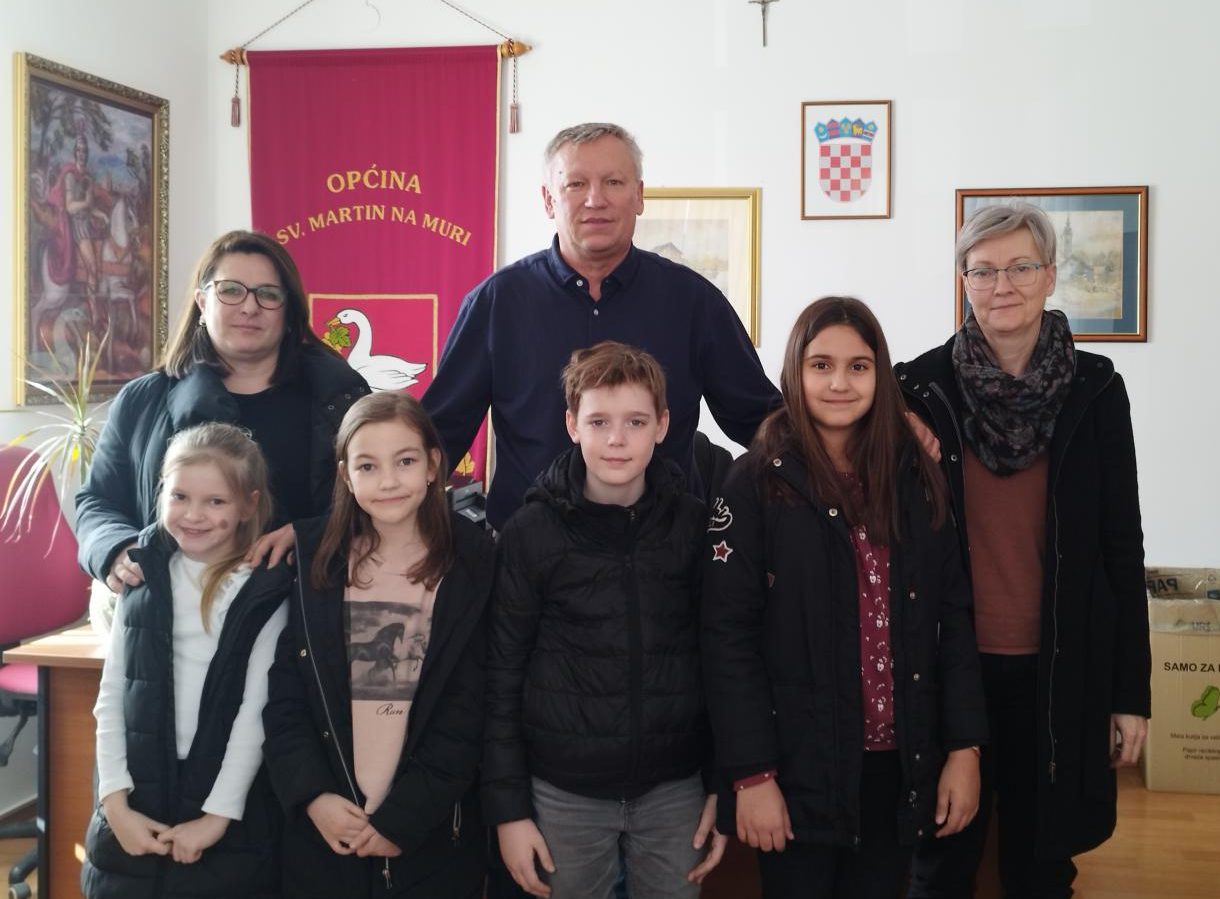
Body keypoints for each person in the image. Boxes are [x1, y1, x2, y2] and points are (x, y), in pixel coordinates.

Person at [898, 202, 1150, 898]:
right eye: (983, 270)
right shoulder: (916, 389)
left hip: (1061, 669)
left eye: (1020, 267)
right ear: (964, 281)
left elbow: (1121, 547)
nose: (1001, 285)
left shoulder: (1097, 390)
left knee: (1041, 870)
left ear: (1050, 275)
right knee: (940, 863)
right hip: (950, 667)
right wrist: (892, 423)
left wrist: (1131, 695)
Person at [701, 297, 988, 898]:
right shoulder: (754, 482)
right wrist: (751, 775)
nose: (839, 383)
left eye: (858, 367)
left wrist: (965, 748)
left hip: (897, 764)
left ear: (881, 376)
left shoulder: (915, 478)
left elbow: (953, 619)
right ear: (794, 373)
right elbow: (727, 640)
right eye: (821, 365)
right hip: (794, 767)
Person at [422, 122, 779, 531]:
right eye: (576, 184)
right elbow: (438, 437)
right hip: (528, 554)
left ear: (639, 195)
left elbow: (763, 424)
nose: (595, 200)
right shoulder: (496, 303)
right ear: (548, 200)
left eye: (613, 182)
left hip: (667, 556)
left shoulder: (694, 302)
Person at [484, 341, 727, 899]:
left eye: (636, 421)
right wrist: (508, 810)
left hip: (675, 789)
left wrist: (722, 784)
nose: (617, 439)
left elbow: (722, 661)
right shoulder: (530, 533)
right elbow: (500, 675)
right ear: (572, 424)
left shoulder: (693, 529)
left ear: (662, 425)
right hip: (562, 791)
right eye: (599, 422)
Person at [262, 392, 493, 898]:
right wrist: (313, 796)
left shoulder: (475, 562)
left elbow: (470, 708)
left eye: (405, 461)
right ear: (346, 476)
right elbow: (286, 700)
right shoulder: (316, 561)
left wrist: (404, 817)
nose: (388, 481)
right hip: (326, 839)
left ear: (433, 465)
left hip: (433, 836)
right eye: (368, 466)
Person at [76, 230, 370, 596]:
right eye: (230, 290)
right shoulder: (143, 400)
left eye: (268, 294)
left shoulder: (340, 399)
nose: (249, 307)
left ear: (289, 311)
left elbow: (378, 505)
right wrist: (115, 548)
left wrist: (311, 537)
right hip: (172, 611)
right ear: (203, 302)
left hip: (308, 607)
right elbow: (97, 501)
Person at [83, 422, 291, 899]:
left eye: (215, 501)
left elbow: (256, 713)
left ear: (249, 505)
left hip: (226, 802)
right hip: (135, 791)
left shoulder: (264, 588)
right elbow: (112, 694)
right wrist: (114, 802)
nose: (193, 515)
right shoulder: (142, 574)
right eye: (179, 496)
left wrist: (217, 817)